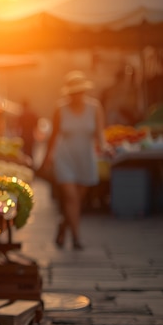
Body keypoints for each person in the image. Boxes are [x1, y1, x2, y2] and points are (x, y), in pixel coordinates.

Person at [41, 70, 109, 250]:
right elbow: (54, 136)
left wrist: (105, 147)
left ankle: (63, 224)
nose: (76, 96)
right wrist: (47, 159)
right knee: (71, 197)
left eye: (79, 92)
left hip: (86, 157)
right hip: (65, 157)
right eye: (73, 93)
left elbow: (100, 135)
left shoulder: (95, 107)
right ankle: (77, 238)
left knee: (78, 199)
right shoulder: (60, 108)